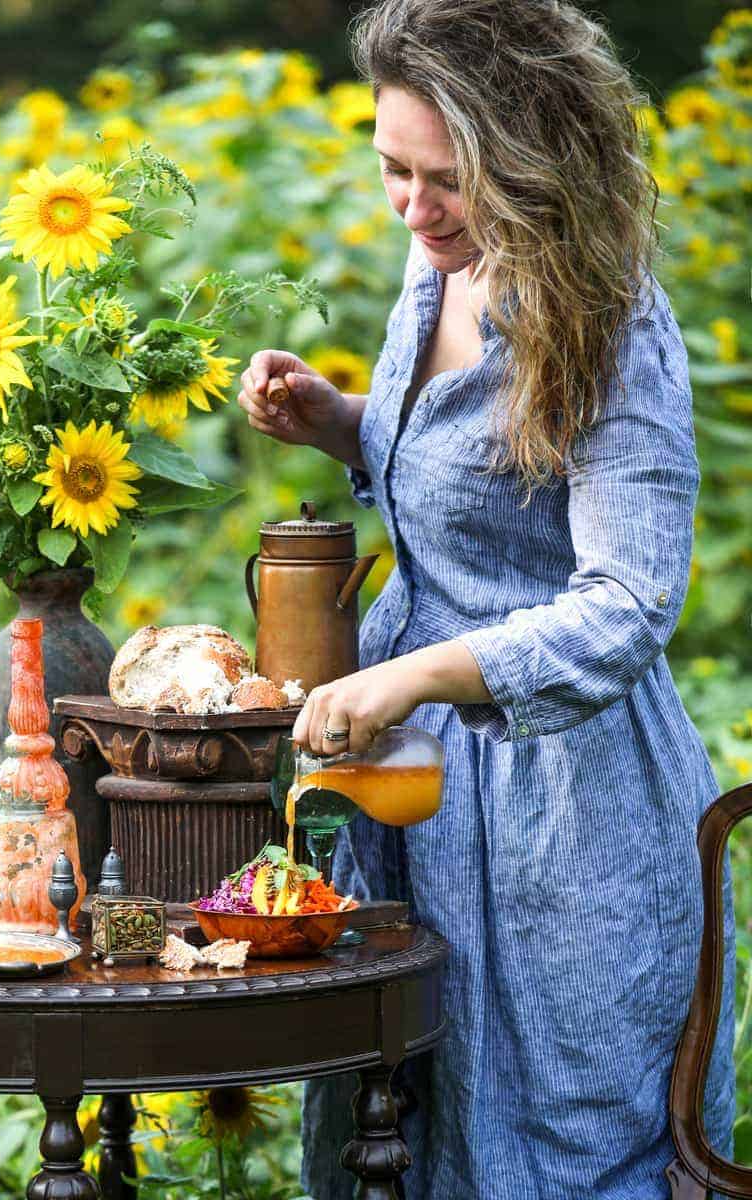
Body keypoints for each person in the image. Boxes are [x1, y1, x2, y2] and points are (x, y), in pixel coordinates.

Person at [237, 0, 736, 1196]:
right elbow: (477, 475)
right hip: (414, 789)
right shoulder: (440, 259)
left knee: (552, 1137)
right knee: (393, 1119)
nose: (412, 207)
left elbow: (625, 604)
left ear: (530, 163)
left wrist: (412, 675)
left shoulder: (614, 326)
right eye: (392, 170)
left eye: (445, 180)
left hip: (562, 811)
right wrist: (343, 422)